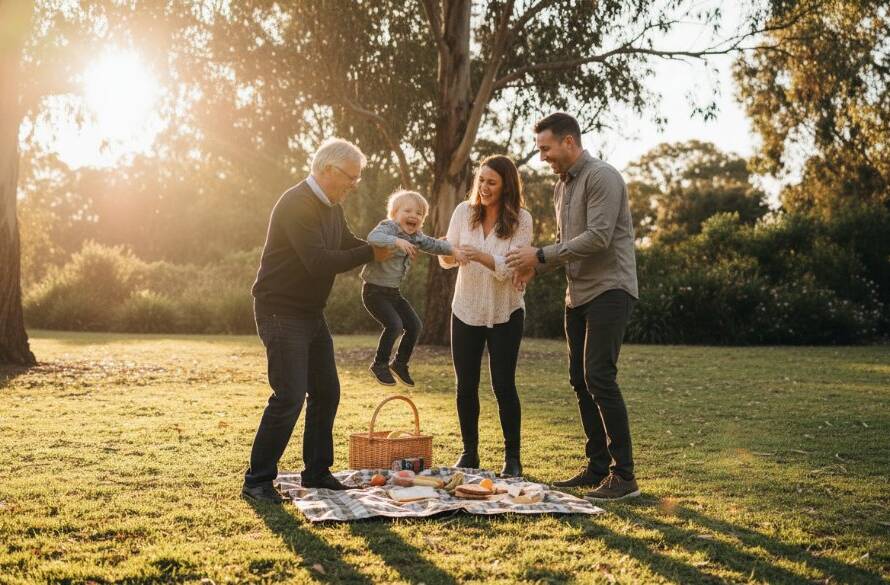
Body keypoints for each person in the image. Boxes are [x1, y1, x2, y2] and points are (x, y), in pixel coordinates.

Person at [243, 138, 392, 503]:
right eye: (351, 178)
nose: (354, 185)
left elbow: (347, 243)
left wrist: (388, 245)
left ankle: (317, 473)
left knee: (327, 391)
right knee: (289, 395)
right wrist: (371, 251)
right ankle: (257, 481)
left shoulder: (331, 207)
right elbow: (319, 260)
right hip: (280, 310)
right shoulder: (297, 204)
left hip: (310, 312)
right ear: (328, 170)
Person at [507, 112, 641, 501]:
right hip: (577, 295)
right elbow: (568, 245)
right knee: (580, 381)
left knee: (599, 376)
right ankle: (597, 467)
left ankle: (624, 476)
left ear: (569, 141)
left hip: (610, 289)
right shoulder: (560, 188)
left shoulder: (603, 176)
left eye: (546, 149)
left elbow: (598, 238)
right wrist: (537, 267)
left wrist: (541, 255)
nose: (543, 157)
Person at [441, 154, 533, 477]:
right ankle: (469, 453)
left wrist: (479, 255)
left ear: (507, 186)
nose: (483, 187)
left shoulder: (522, 220)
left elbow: (511, 268)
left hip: (505, 312)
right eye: (481, 180)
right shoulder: (463, 213)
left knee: (503, 385)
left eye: (491, 182)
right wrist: (450, 255)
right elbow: (446, 258)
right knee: (465, 384)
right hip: (465, 309)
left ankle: (513, 458)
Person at [361, 190, 466, 386]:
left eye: (419, 213)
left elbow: (434, 245)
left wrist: (453, 250)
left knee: (415, 325)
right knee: (394, 325)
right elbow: (373, 237)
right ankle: (379, 364)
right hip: (374, 291)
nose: (413, 216)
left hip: (393, 293)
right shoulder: (389, 228)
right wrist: (396, 241)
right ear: (394, 214)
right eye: (407, 210)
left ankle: (400, 364)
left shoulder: (416, 237)